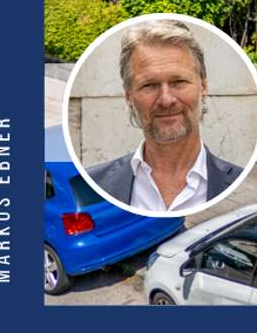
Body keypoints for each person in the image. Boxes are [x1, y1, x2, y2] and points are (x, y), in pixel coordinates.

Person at [88, 20, 240, 213]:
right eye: (149, 85)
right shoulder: (94, 185)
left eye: (179, 82)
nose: (166, 100)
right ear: (128, 96)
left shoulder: (238, 185)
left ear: (203, 87)